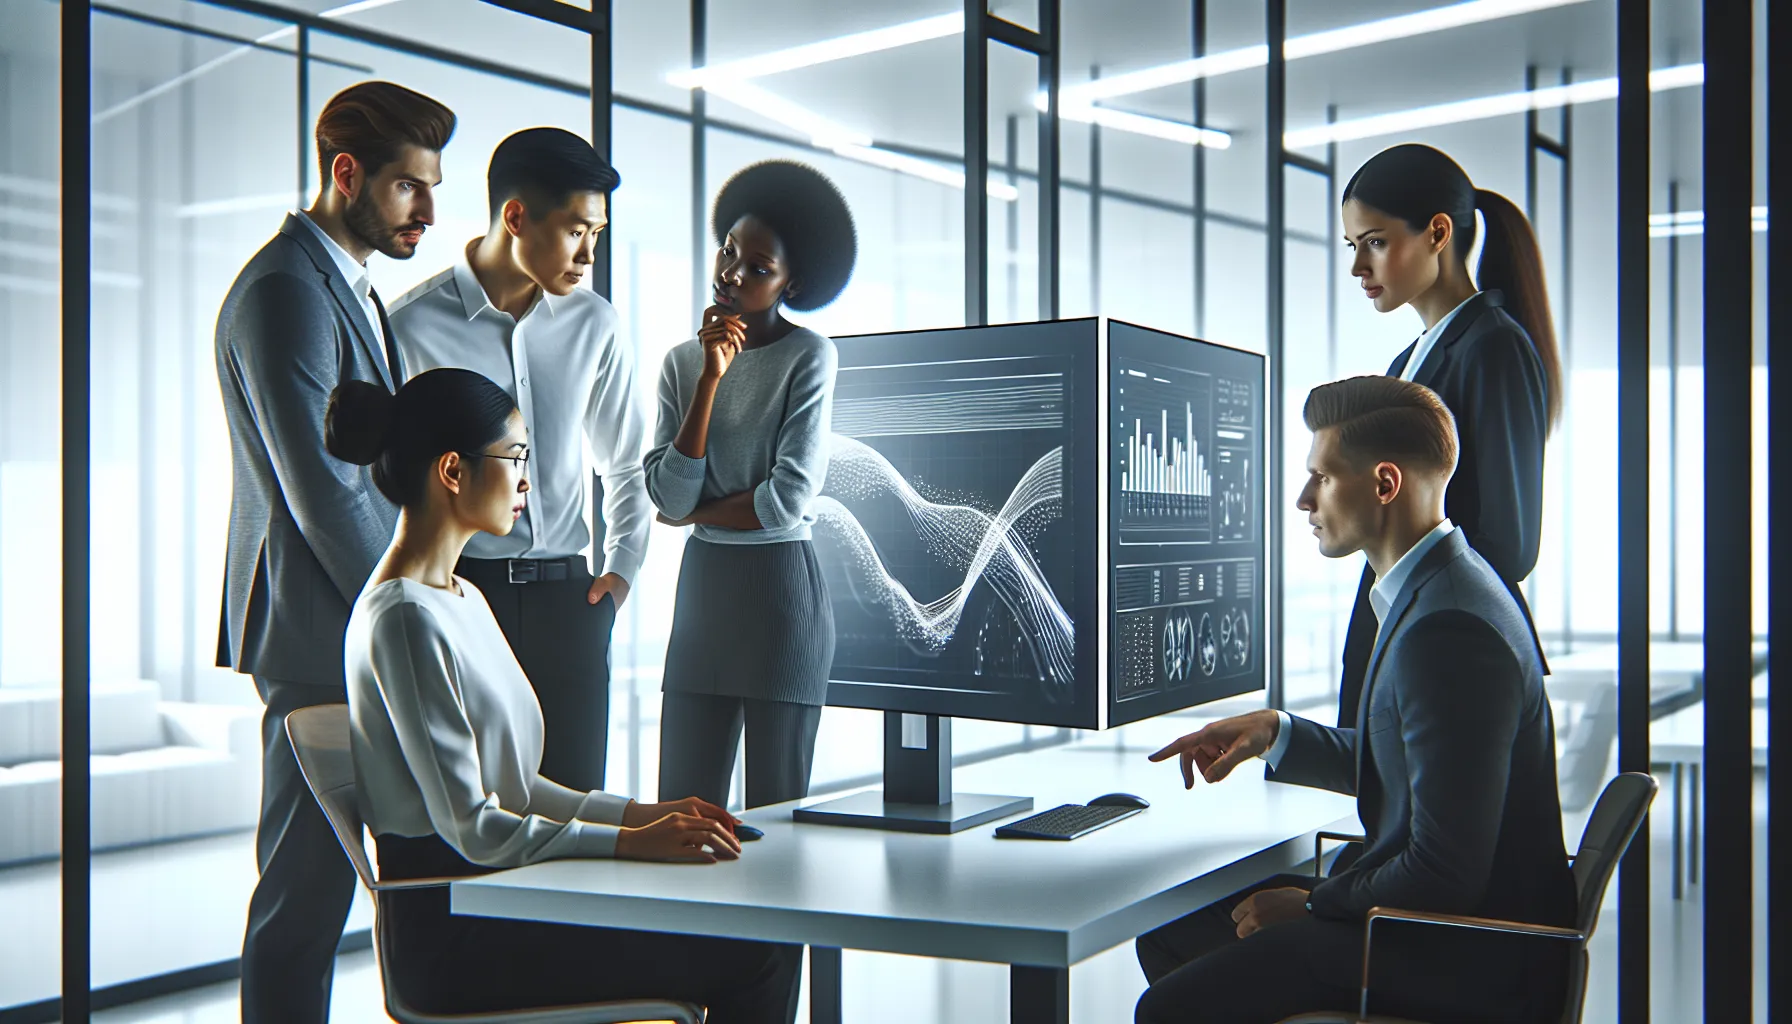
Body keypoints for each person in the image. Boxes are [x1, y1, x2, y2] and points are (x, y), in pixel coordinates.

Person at [327, 368, 803, 1022]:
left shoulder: (459, 597)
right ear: (452, 471)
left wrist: (643, 816)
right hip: (458, 934)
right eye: (514, 457)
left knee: (750, 928)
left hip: (505, 896)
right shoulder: (403, 619)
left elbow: (518, 789)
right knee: (754, 951)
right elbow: (474, 829)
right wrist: (632, 844)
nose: (528, 479)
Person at [1134, 376, 1575, 1024]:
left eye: (1322, 477)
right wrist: (1275, 731)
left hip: (1468, 956)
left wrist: (1313, 906)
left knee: (1167, 1010)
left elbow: (1444, 871)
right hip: (1446, 927)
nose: (1303, 499)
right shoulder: (1442, 588)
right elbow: (1410, 762)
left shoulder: (1447, 629)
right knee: (1171, 933)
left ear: (1384, 484)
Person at [212, 80, 455, 1024]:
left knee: (338, 891)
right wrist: (413, 602)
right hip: (320, 624)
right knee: (304, 902)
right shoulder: (284, 289)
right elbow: (324, 491)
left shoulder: (340, 284)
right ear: (344, 174)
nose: (429, 213)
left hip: (341, 622)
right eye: (408, 189)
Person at [389, 126, 650, 793]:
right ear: (515, 217)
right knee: (470, 808)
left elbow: (625, 464)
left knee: (575, 806)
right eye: (575, 232)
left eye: (598, 233)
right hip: (461, 596)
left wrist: (618, 577)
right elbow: (383, 484)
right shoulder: (410, 327)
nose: (590, 254)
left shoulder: (596, 324)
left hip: (573, 602)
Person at [644, 160, 855, 809]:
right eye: (729, 251)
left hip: (780, 596)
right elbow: (667, 497)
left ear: (793, 282)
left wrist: (694, 513)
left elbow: (787, 501)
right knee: (682, 805)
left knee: (777, 809)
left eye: (757, 267)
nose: (731, 274)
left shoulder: (809, 355)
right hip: (705, 590)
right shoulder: (683, 363)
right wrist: (710, 378)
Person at [1332, 143, 1558, 729]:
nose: (1359, 268)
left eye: (1375, 242)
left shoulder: (1494, 347)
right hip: (1408, 635)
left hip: (1453, 651)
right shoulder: (1408, 361)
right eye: (1353, 247)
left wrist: (1425, 610)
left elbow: (1509, 543)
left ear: (1437, 233)